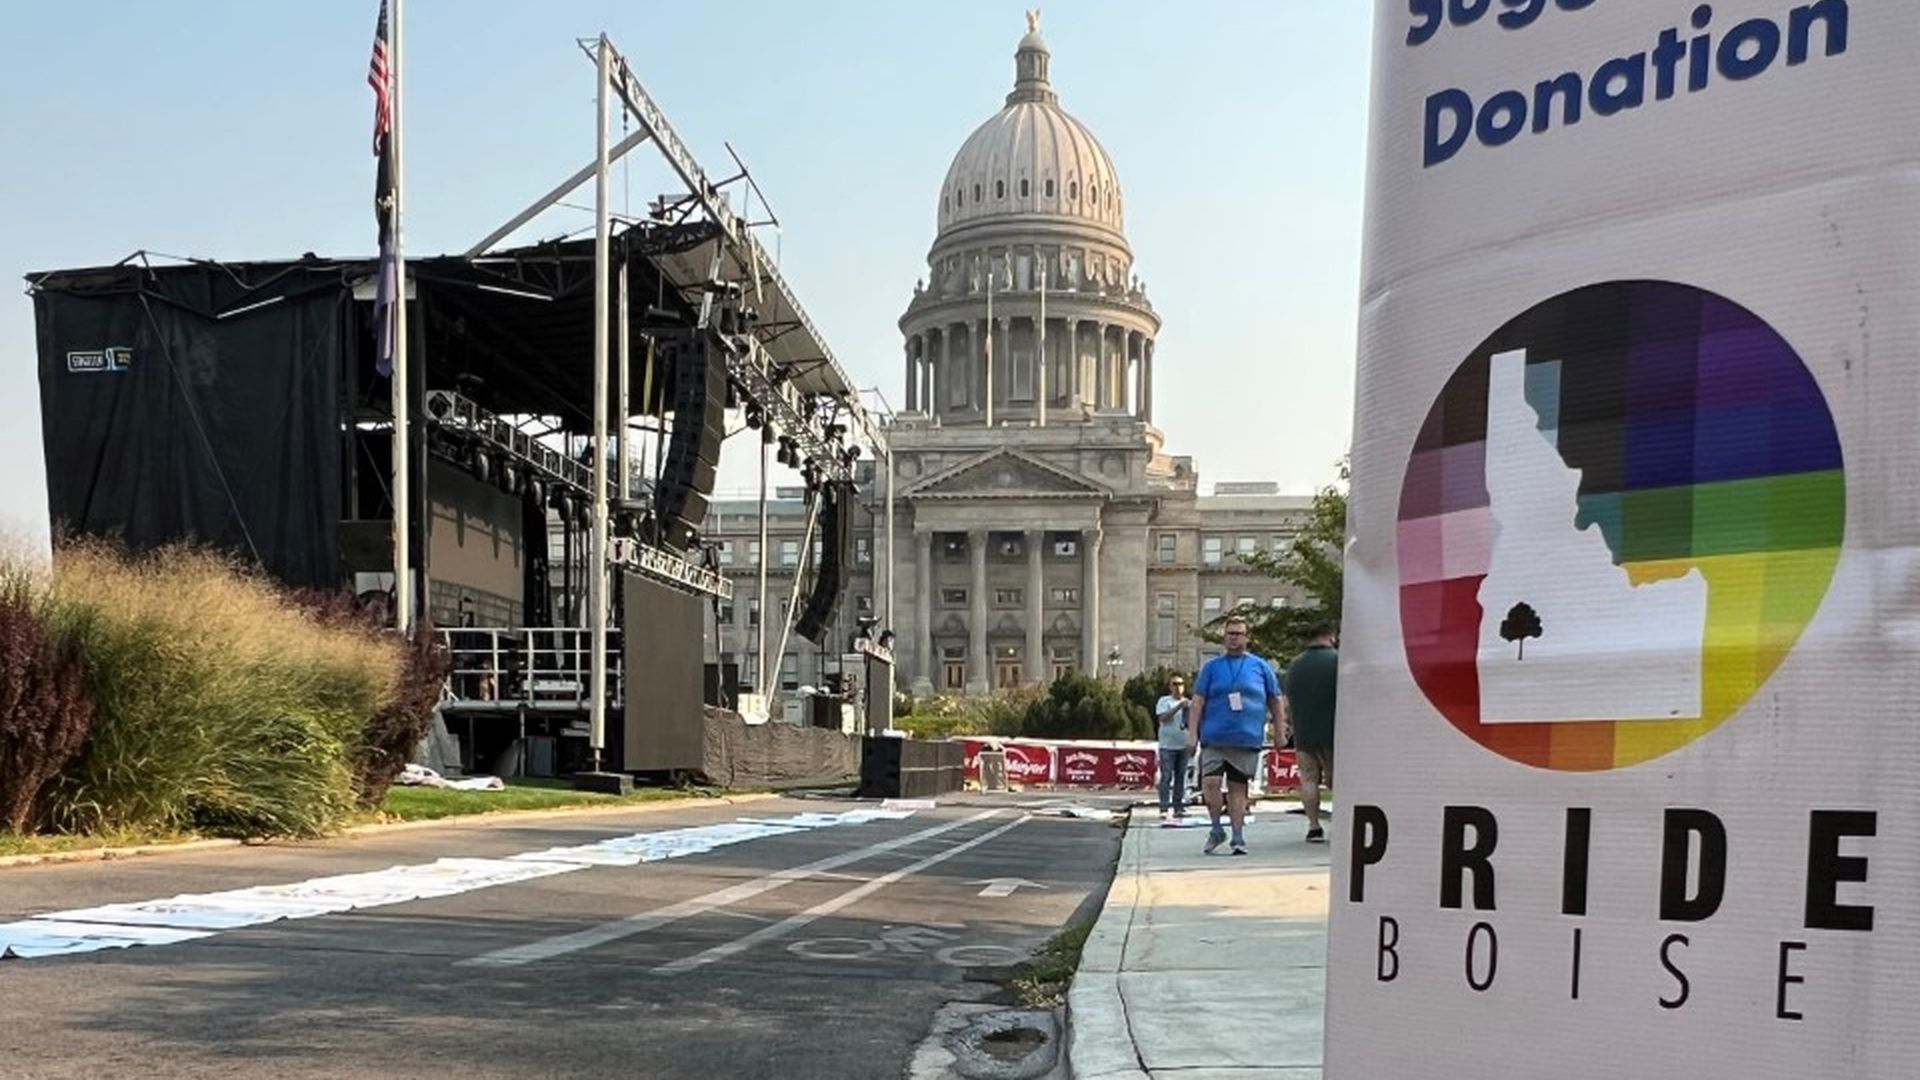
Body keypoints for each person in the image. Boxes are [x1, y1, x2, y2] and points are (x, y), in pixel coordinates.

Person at [1187, 616, 1283, 855]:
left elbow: (1275, 700)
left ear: (1247, 638)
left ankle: (1238, 837)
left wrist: (1280, 731)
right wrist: (1192, 734)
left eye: (1239, 633)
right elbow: (1197, 702)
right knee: (1210, 784)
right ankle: (1216, 828)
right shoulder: (1211, 668)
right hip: (1214, 738)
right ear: (1224, 637)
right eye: (1230, 633)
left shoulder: (1260, 667)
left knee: (1237, 789)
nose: (1234, 638)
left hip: (1245, 739)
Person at [1284, 622, 1340, 843]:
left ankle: (1314, 826)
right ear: (1331, 635)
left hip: (1304, 731)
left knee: (1308, 779)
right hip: (1333, 731)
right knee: (1337, 780)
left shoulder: (1295, 665)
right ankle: (1342, 825)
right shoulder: (1337, 661)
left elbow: (1288, 701)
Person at [1154, 673, 1192, 824]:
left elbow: (1192, 723)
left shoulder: (1188, 703)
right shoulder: (1164, 701)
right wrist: (1178, 707)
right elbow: (1163, 718)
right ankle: (1164, 807)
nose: (1178, 687)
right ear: (1170, 687)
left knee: (1181, 777)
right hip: (1167, 746)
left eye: (1180, 684)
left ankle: (1178, 807)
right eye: (1175, 684)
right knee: (1166, 776)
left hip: (1183, 745)